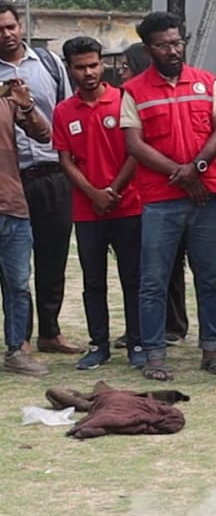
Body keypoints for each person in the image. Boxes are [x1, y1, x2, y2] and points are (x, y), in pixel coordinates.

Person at [121, 10, 216, 381]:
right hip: (160, 200)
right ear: (149, 48)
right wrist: (179, 173)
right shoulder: (134, 91)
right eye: (164, 44)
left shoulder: (205, 82)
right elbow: (134, 145)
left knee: (210, 277)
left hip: (204, 197)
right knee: (154, 280)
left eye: (177, 42)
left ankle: (211, 350)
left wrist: (196, 168)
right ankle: (154, 355)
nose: (173, 49)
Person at [52, 37, 144, 372]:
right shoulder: (63, 111)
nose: (88, 72)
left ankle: (137, 342)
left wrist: (112, 191)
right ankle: (99, 344)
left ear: (102, 63)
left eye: (93, 64)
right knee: (94, 281)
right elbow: (65, 160)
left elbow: (136, 151)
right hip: (87, 210)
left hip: (128, 205)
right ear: (70, 68)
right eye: (80, 67)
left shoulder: (124, 100)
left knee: (132, 278)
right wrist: (93, 193)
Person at [0, 3, 82, 356]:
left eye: (10, 27)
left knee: (53, 257)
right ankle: (21, 337)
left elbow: (66, 113)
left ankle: (50, 331)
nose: (6, 35)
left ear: (21, 26)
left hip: (51, 174)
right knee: (13, 265)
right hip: (9, 179)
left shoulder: (49, 64)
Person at [122, 42, 191, 346]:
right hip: (133, 198)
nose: (121, 71)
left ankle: (173, 324)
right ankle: (141, 327)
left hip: (155, 195)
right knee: (142, 270)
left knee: (168, 265)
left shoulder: (149, 97)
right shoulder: (127, 98)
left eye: (126, 65)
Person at [0, 68, 54, 376]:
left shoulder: (8, 97)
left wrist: (27, 105)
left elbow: (44, 135)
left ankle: (16, 349)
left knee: (18, 285)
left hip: (12, 205)